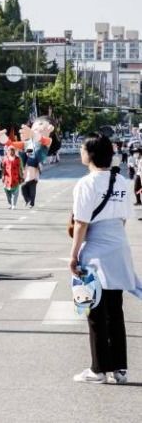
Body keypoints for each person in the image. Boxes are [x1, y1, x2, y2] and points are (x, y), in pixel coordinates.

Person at [69, 133, 142, 384]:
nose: (80, 151)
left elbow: (81, 223)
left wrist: (74, 255)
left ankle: (98, 369)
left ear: (90, 154)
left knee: (95, 310)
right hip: (119, 246)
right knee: (115, 309)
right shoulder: (121, 180)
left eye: (82, 148)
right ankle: (120, 369)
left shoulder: (86, 183)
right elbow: (123, 217)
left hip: (96, 250)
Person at [1, 144, 24, 210]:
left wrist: (21, 176)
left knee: (15, 192)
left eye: (12, 150)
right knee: (7, 191)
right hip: (7, 178)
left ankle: (13, 204)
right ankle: (10, 203)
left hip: (16, 178)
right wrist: (2, 175)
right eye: (9, 150)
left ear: (14, 151)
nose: (11, 152)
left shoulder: (18, 159)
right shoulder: (5, 159)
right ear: (7, 151)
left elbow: (21, 168)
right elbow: (3, 168)